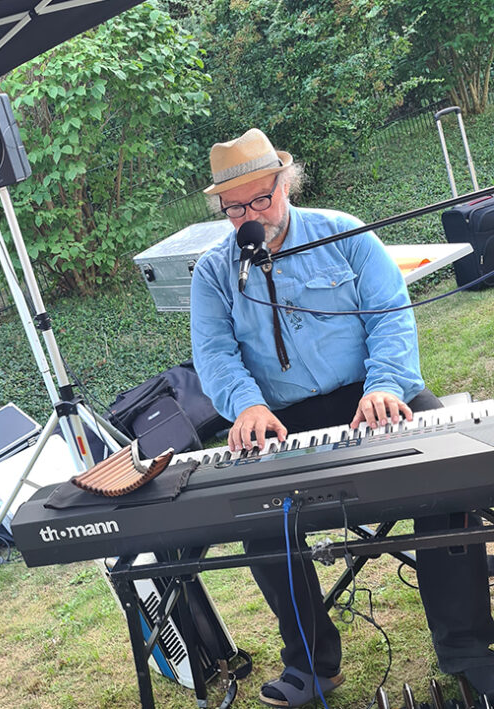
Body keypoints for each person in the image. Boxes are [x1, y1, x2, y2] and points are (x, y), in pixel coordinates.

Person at [190, 128, 494, 706]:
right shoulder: (213, 272)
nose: (250, 215)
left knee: (450, 477)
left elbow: (391, 318)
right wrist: (246, 405)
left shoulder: (344, 232)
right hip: (280, 415)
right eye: (235, 207)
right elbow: (215, 354)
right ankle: (312, 664)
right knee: (256, 510)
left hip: (374, 394)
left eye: (261, 199)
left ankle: (466, 649)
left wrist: (383, 386)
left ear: (287, 184)